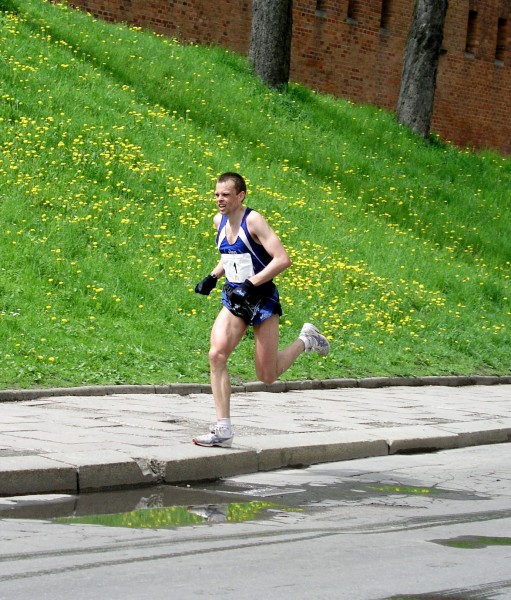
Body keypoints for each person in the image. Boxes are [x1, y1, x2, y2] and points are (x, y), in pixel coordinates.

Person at [193, 172, 329, 448]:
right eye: (217, 194)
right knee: (216, 354)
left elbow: (282, 259)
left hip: (261, 299)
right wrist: (213, 276)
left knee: (266, 376)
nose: (219, 199)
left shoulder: (253, 220)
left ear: (240, 196)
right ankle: (223, 429)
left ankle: (306, 340)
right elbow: (230, 255)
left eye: (226, 195)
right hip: (235, 298)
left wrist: (251, 283)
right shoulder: (218, 221)